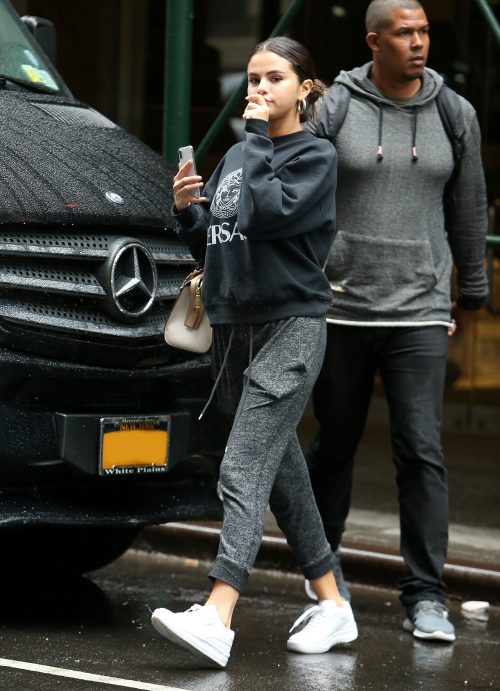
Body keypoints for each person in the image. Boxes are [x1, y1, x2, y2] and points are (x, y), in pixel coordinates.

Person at [151, 37, 358, 668]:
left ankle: (218, 614)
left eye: (274, 78)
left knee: (242, 468)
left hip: (290, 328)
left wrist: (260, 136)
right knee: (283, 475)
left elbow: (267, 214)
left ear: (305, 89)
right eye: (252, 79)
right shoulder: (241, 154)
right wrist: (188, 212)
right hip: (234, 331)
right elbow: (219, 240)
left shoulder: (315, 156)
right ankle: (334, 604)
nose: (259, 89)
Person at [305, 0, 488, 643]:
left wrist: (471, 291)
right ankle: (323, 576)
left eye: (424, 31)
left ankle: (427, 594)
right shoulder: (336, 107)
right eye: (404, 33)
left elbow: (468, 208)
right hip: (342, 304)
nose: (418, 42)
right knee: (336, 442)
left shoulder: (454, 113)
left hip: (420, 308)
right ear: (373, 42)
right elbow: (296, 190)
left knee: (421, 449)